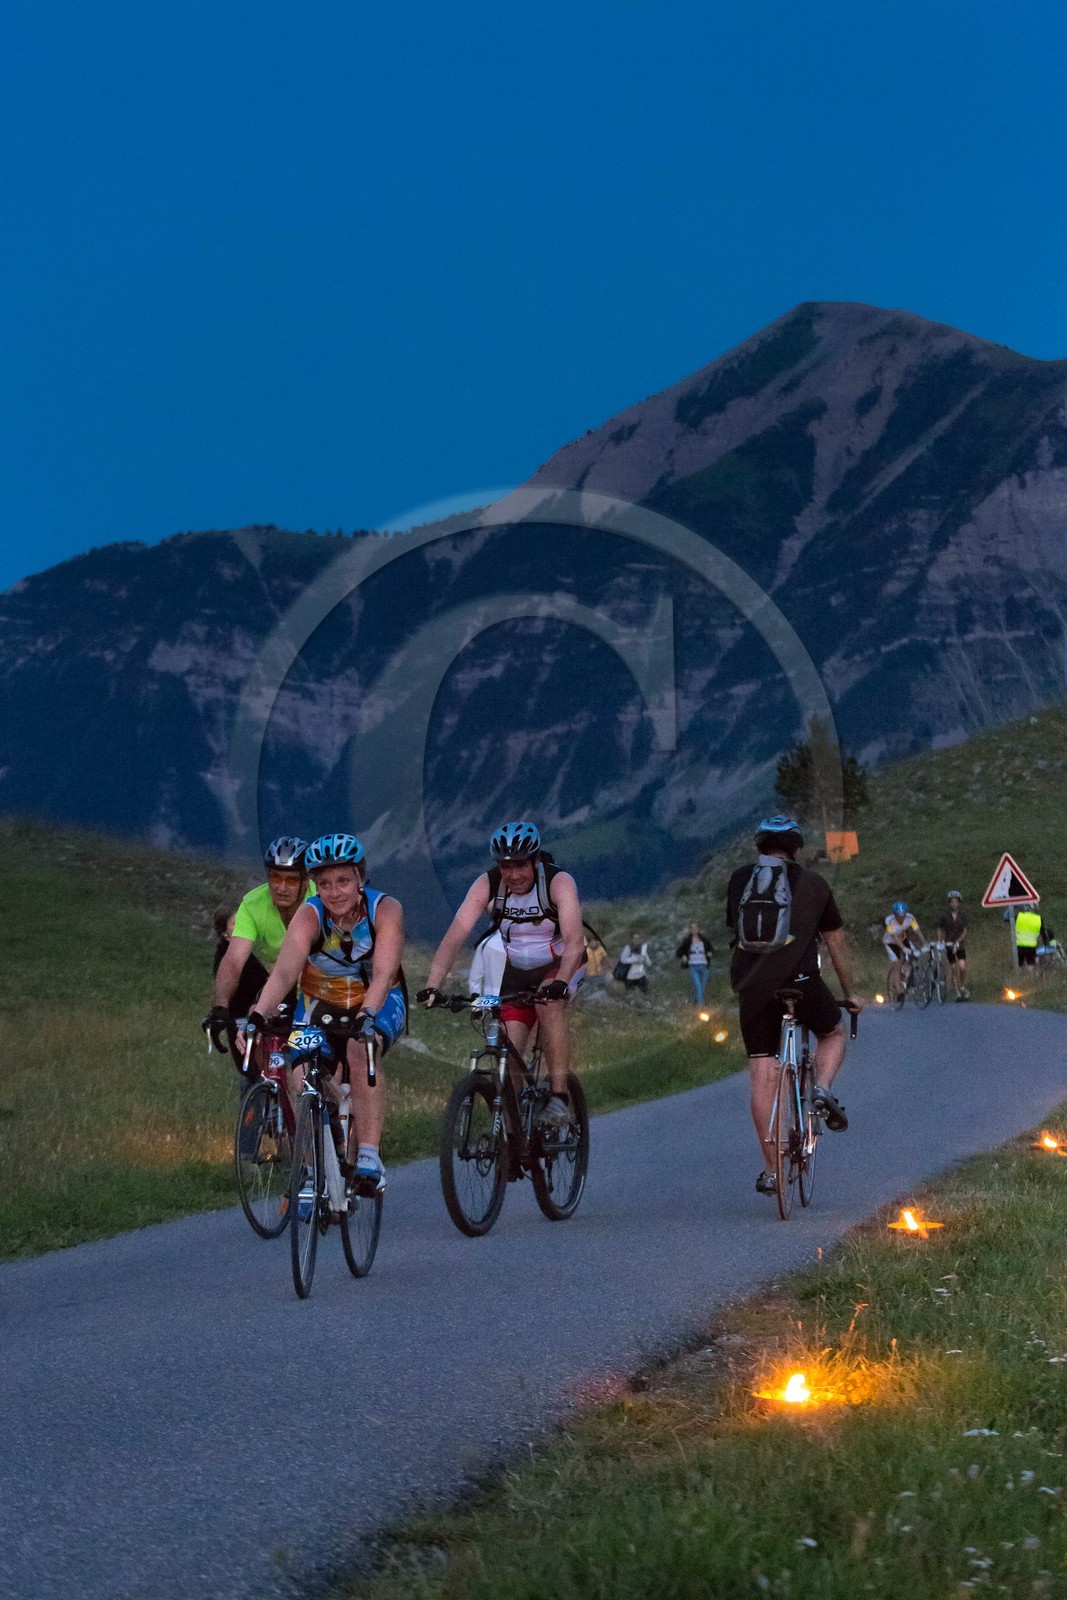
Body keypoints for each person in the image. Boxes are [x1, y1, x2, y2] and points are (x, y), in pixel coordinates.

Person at [245, 832, 405, 1194]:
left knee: (359, 1050)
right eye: (325, 884)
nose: (335, 892)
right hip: (319, 1003)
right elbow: (285, 972)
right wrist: (257, 1015)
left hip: (378, 999)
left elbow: (383, 973)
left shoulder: (386, 910)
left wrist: (367, 1016)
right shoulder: (309, 915)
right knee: (298, 1072)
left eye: (344, 881)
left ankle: (369, 1156)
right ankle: (311, 1173)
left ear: (360, 878)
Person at [725, 816, 863, 1198]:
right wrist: (851, 993)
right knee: (833, 1031)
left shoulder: (740, 880)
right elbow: (835, 945)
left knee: (761, 1072)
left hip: (753, 988)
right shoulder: (815, 885)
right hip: (801, 984)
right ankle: (821, 1088)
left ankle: (772, 1170)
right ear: (796, 848)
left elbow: (737, 933)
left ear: (759, 847)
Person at [419, 821, 586, 1123]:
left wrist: (560, 981)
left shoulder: (558, 882)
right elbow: (454, 938)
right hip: (518, 968)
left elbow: (575, 941)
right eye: (506, 866)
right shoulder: (488, 885)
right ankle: (513, 1131)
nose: (513, 875)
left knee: (548, 1008)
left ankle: (559, 1098)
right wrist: (433, 985)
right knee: (508, 1040)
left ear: (536, 861)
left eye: (521, 865)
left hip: (561, 963)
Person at [205, 838, 311, 1070]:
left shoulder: (320, 901)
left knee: (323, 1067)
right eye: (275, 877)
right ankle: (261, 1092)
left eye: (291, 879)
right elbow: (233, 961)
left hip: (323, 985)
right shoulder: (253, 905)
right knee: (256, 1027)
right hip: (284, 983)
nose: (281, 887)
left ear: (306, 880)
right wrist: (220, 1006)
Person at [882, 900, 924, 1001]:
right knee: (897, 963)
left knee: (915, 955)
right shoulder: (889, 920)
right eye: (898, 916)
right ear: (894, 914)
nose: (901, 918)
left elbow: (917, 930)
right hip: (891, 942)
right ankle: (899, 991)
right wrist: (904, 948)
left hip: (903, 939)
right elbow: (893, 936)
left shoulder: (910, 918)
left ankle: (908, 975)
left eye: (903, 915)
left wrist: (924, 942)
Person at [936, 891, 970, 1000]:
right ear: (949, 903)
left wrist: (959, 941)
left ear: (959, 903)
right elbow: (939, 928)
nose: (954, 904)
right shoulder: (945, 916)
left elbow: (965, 931)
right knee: (954, 968)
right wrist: (940, 940)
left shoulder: (963, 916)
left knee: (962, 967)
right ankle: (957, 992)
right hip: (949, 944)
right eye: (952, 902)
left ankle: (962, 985)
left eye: (956, 902)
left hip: (960, 945)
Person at [676, 922, 714, 1006]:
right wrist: (684, 956)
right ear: (690, 930)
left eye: (695, 928)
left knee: (702, 987)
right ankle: (701, 1007)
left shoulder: (704, 940)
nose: (694, 930)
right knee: (698, 986)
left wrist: (709, 953)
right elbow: (678, 952)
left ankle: (694, 1003)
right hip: (693, 966)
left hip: (703, 966)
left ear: (698, 929)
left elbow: (711, 949)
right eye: (692, 928)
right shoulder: (687, 941)